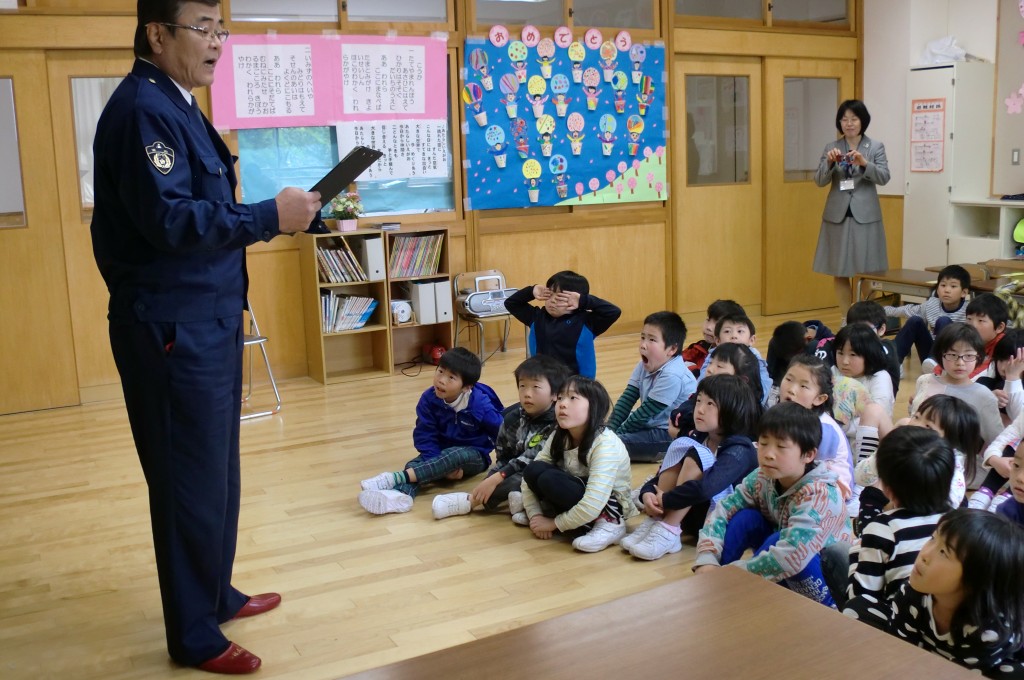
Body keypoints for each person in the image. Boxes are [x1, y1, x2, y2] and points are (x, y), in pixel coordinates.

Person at [89, 1, 323, 673]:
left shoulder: (178, 103)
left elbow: (206, 206)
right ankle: (193, 635)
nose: (217, 42)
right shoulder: (143, 109)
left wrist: (277, 214)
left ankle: (215, 593)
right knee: (186, 480)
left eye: (222, 29)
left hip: (209, 318)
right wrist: (268, 216)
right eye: (203, 28)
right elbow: (172, 222)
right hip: (172, 326)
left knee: (216, 470)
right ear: (157, 34)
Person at [693, 402, 853, 607]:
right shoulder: (762, 477)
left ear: (808, 455)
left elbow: (791, 555)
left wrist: (734, 575)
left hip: (824, 583)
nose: (768, 453)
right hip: (780, 570)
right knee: (744, 518)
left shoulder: (821, 495)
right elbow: (723, 510)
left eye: (781, 446)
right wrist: (707, 558)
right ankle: (712, 582)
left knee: (782, 542)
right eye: (763, 443)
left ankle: (728, 588)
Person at [870, 510, 1024, 677]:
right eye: (932, 538)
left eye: (944, 552)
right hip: (926, 658)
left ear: (975, 580)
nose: (924, 555)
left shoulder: (988, 630)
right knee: (861, 606)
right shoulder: (911, 593)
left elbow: (959, 675)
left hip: (973, 671)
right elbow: (900, 650)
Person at [624, 374, 760, 561]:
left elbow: (707, 487)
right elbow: (664, 471)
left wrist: (668, 499)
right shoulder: (699, 436)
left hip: (721, 524)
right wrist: (648, 493)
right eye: (698, 401)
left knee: (697, 455)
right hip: (691, 512)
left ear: (732, 410)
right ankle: (658, 520)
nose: (700, 409)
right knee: (682, 445)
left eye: (710, 404)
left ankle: (669, 529)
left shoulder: (740, 449)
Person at [359, 347, 503, 515]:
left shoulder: (480, 405)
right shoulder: (428, 399)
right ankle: (400, 497)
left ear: (466, 387)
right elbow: (425, 434)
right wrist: (440, 466)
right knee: (413, 465)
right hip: (440, 453)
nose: (441, 380)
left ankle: (393, 478)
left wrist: (503, 465)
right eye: (440, 371)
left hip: (474, 455)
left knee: (454, 456)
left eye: (451, 378)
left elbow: (502, 432)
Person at [431, 354, 568, 520]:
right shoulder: (512, 419)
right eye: (522, 386)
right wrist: (491, 478)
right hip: (516, 470)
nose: (527, 394)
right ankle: (525, 504)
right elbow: (503, 457)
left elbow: (533, 457)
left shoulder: (559, 423)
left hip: (550, 474)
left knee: (526, 475)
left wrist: (499, 477)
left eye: (536, 387)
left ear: (555, 394)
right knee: (496, 478)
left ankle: (469, 501)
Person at [842, 427, 954, 625]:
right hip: (947, 623)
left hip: (904, 626)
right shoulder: (957, 520)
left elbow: (861, 595)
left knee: (839, 556)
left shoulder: (882, 528)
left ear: (887, 489)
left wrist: (856, 555)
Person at [521, 376, 636, 553]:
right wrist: (535, 514)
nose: (562, 404)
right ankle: (548, 510)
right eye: (560, 398)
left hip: (604, 506)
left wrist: (553, 524)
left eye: (573, 398)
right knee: (534, 470)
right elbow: (528, 476)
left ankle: (611, 525)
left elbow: (593, 503)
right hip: (578, 491)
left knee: (549, 479)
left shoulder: (605, 444)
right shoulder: (561, 434)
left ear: (594, 407)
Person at [813, 99, 890, 318]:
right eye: (844, 119)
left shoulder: (875, 147)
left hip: (866, 216)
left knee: (867, 270)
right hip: (837, 215)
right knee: (839, 270)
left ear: (862, 121)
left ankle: (867, 319)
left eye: (854, 119)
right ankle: (846, 318)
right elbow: (819, 181)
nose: (849, 123)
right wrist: (829, 164)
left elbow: (884, 177)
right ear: (839, 123)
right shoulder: (831, 147)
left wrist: (864, 163)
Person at [857, 396, 981, 516]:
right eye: (916, 417)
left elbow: (947, 509)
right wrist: (884, 452)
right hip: (900, 504)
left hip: (928, 519)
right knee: (871, 492)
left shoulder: (951, 466)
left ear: (951, 441)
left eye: (928, 426)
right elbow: (860, 477)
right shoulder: (900, 445)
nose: (915, 425)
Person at [607, 311, 695, 462]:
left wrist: (608, 439)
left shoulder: (673, 375)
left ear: (672, 349)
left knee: (613, 445)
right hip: (650, 422)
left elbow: (644, 414)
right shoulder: (644, 365)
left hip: (669, 434)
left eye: (652, 339)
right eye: (643, 337)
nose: (643, 345)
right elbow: (627, 400)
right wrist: (608, 430)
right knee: (601, 427)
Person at [504, 270, 621, 378]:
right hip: (544, 380)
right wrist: (531, 291)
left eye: (560, 297)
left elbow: (613, 312)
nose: (553, 300)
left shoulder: (586, 321)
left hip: (578, 384)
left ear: (576, 300)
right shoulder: (537, 317)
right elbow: (511, 303)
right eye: (550, 294)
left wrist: (584, 300)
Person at [910, 323, 1003, 446]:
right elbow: (914, 416)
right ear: (940, 355)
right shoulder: (924, 381)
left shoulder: (983, 395)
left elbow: (996, 440)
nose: (960, 362)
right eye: (952, 355)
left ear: (978, 357)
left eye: (968, 355)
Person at [777, 355, 854, 502]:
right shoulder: (782, 414)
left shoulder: (824, 428)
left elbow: (814, 469)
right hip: (799, 481)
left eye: (803, 386)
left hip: (833, 491)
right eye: (789, 379)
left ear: (819, 399)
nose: (791, 389)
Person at [884, 264, 971, 370]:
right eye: (943, 285)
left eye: (953, 286)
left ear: (964, 293)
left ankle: (935, 361)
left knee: (944, 321)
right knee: (915, 320)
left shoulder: (969, 311)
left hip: (954, 358)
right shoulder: (932, 304)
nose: (947, 290)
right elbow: (908, 310)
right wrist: (881, 310)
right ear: (937, 289)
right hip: (929, 358)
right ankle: (894, 363)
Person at [670, 342, 763, 437]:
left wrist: (680, 434)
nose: (709, 369)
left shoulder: (742, 412)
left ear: (742, 379)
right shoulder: (705, 393)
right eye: (710, 363)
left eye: (719, 366)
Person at [681, 298, 744, 377]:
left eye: (717, 323)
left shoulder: (735, 360)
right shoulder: (700, 347)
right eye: (708, 320)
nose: (708, 327)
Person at [965, 292, 1009, 378]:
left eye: (981, 320)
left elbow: (980, 373)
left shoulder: (1003, 346)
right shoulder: (965, 338)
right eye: (969, 319)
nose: (973, 325)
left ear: (999, 327)